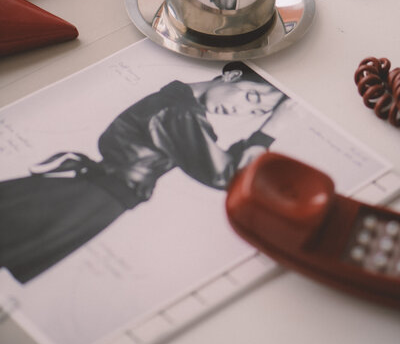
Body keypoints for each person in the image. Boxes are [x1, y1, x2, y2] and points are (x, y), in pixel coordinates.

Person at [0, 62, 286, 283]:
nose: (241, 110)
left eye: (255, 113)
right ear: (232, 75)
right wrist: (269, 130)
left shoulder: (178, 107)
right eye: (251, 97)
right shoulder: (177, 112)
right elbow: (225, 176)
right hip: (90, 197)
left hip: (94, 195)